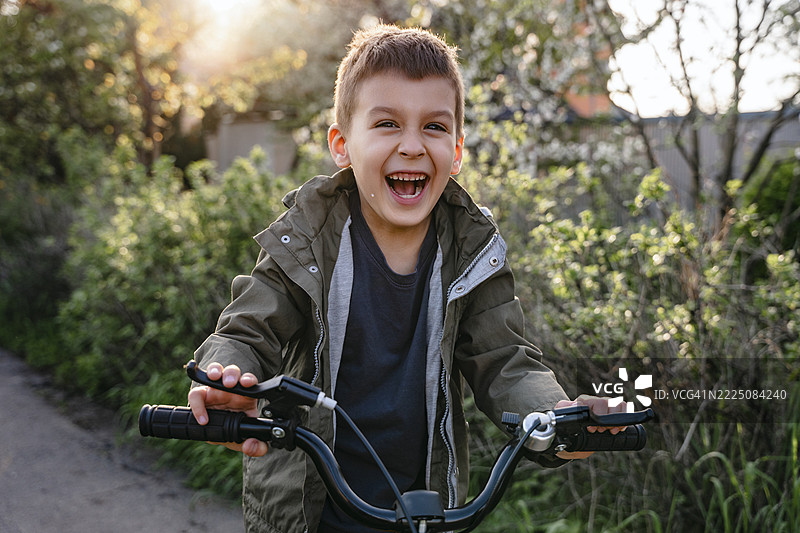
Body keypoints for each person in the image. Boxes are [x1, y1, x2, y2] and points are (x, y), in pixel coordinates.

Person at [188, 24, 619, 533]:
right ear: (343, 145)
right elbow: (246, 331)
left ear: (456, 152)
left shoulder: (470, 251)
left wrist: (558, 417)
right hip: (310, 512)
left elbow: (505, 363)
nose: (412, 146)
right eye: (388, 124)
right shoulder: (308, 240)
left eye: (434, 128)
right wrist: (227, 377)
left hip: (425, 511)